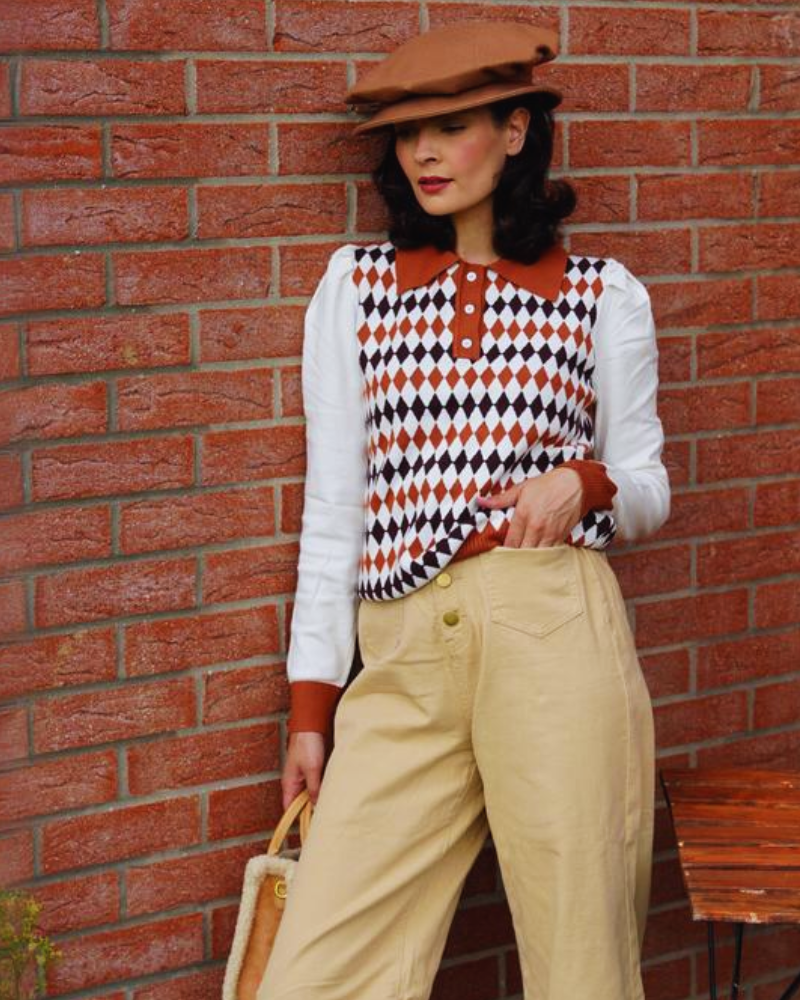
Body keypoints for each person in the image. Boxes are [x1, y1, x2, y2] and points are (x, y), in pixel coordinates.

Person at [259, 18, 669, 1000]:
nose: (425, 154)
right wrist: (312, 706)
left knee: (583, 967)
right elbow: (334, 511)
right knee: (314, 973)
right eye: (408, 133)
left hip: (553, 635)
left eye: (451, 126)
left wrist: (585, 482)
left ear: (515, 131)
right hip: (404, 656)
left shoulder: (602, 295)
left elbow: (648, 485)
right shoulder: (354, 289)